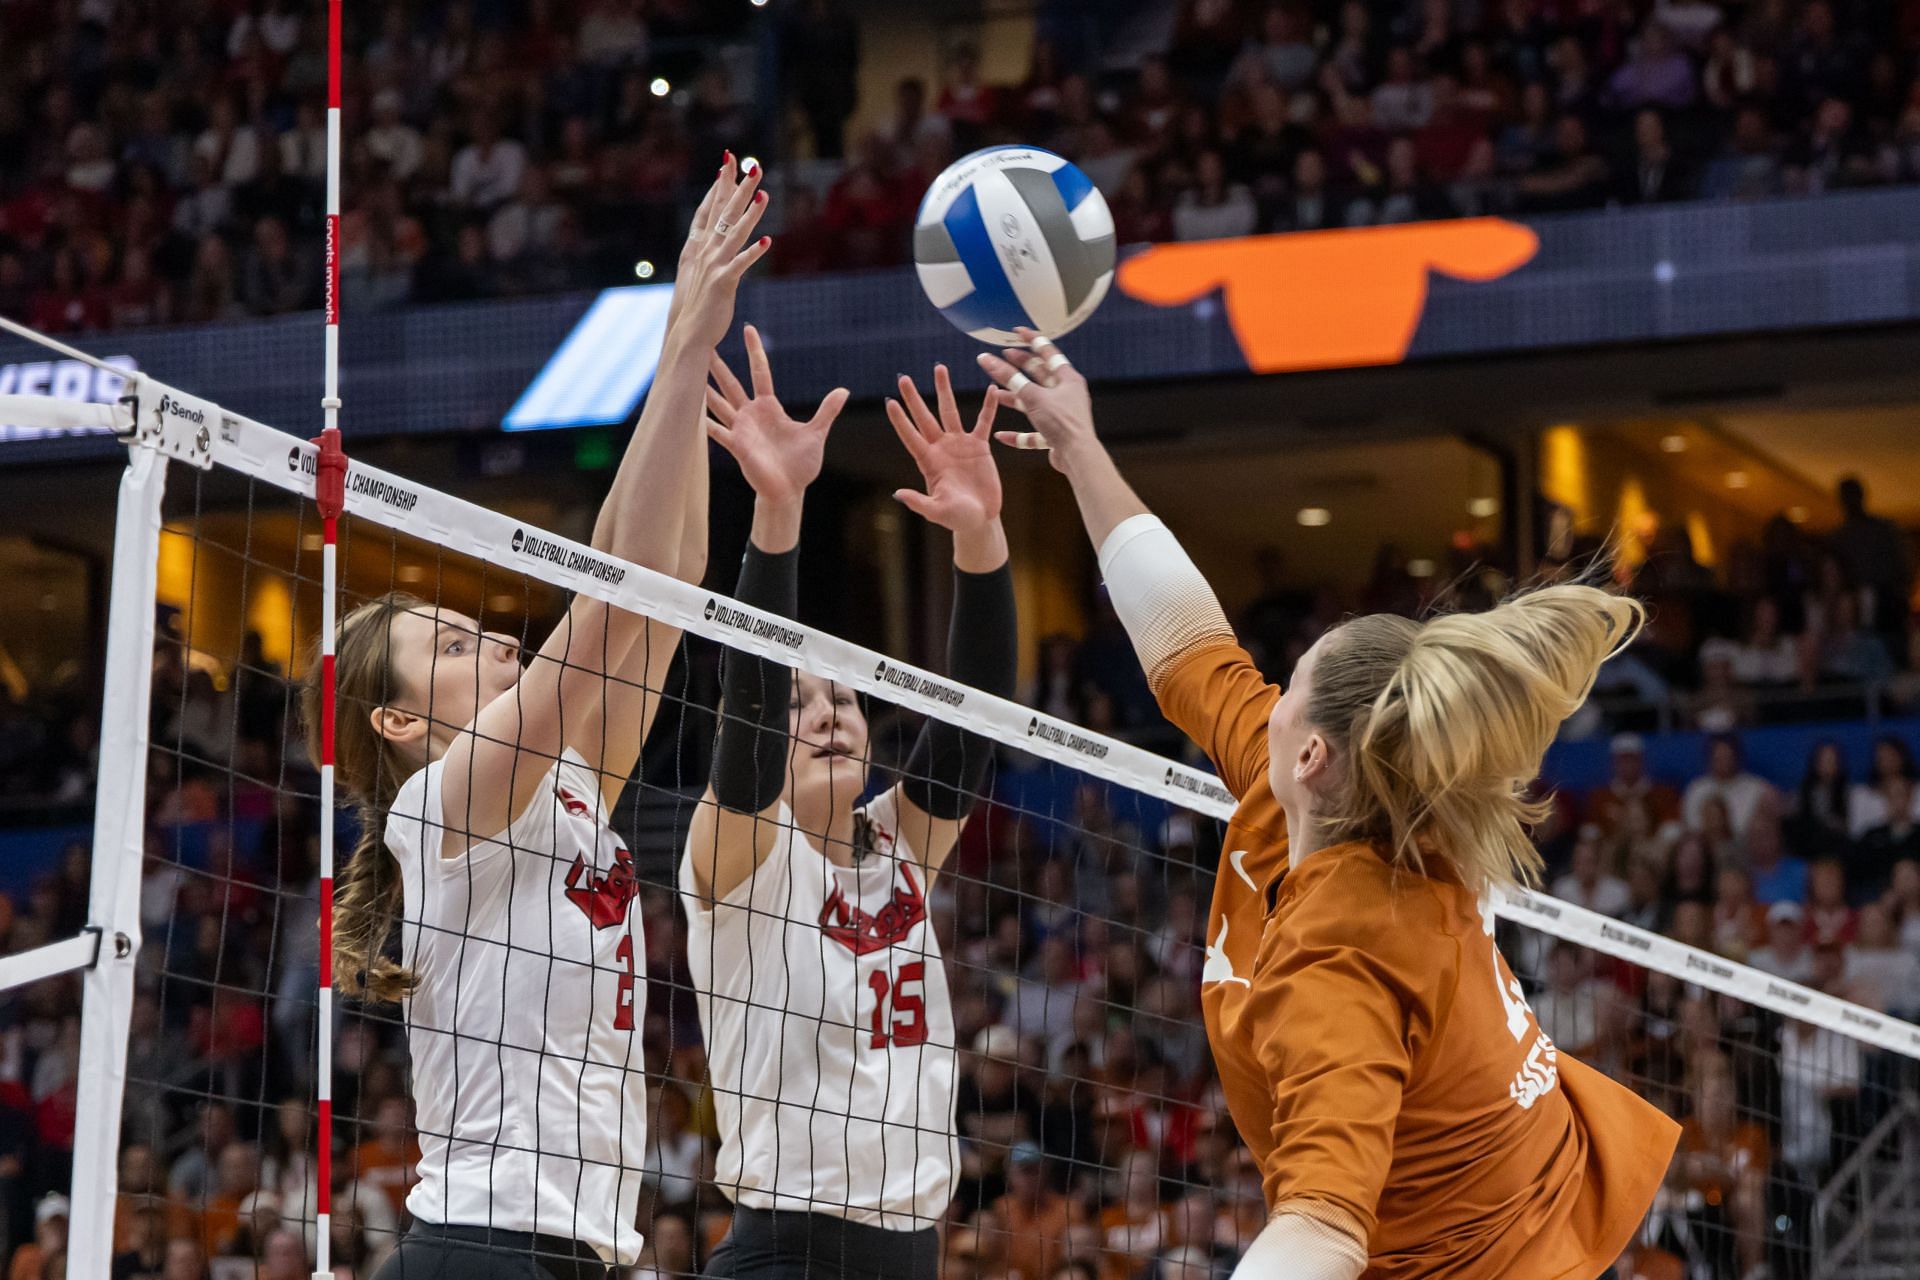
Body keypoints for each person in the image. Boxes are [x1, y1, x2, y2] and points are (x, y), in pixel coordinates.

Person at [978, 330, 1677, 1279]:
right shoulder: (1329, 795)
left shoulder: (1339, 952)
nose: (1272, 681)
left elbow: (1322, 1229)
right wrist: (1080, 449)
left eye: (1293, 673)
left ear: (1311, 751)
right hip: (1539, 1189)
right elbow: (1187, 641)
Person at [303, 159, 769, 1280]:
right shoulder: (438, 807)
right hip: (483, 1253)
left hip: (584, 1255)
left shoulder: (568, 786)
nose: (499, 642)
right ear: (403, 720)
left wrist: (690, 349)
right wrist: (679, 336)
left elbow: (667, 585)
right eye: (457, 646)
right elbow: (609, 600)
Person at [681, 343, 1017, 1280]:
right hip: (788, 1255)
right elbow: (744, 725)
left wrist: (981, 537)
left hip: (914, 1254)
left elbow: (978, 719)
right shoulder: (740, 850)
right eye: (800, 703)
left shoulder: (898, 840)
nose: (828, 712)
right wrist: (779, 510)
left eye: (846, 699)